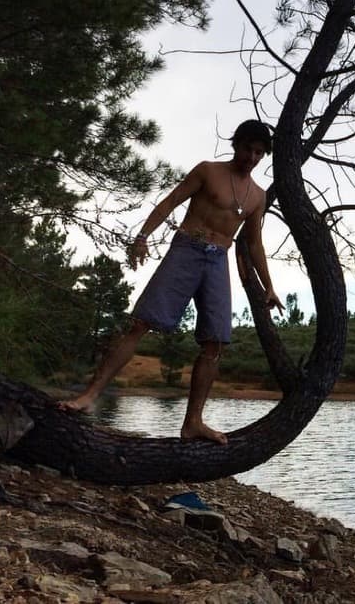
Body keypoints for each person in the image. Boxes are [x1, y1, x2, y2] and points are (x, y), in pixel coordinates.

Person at [59, 120, 284, 444]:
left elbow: (253, 244)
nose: (252, 157)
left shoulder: (257, 196)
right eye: (248, 148)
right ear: (237, 145)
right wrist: (142, 236)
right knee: (139, 324)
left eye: (259, 153)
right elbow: (170, 201)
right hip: (187, 249)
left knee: (215, 342)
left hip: (218, 261)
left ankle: (193, 422)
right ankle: (89, 395)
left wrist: (269, 287)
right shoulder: (208, 171)